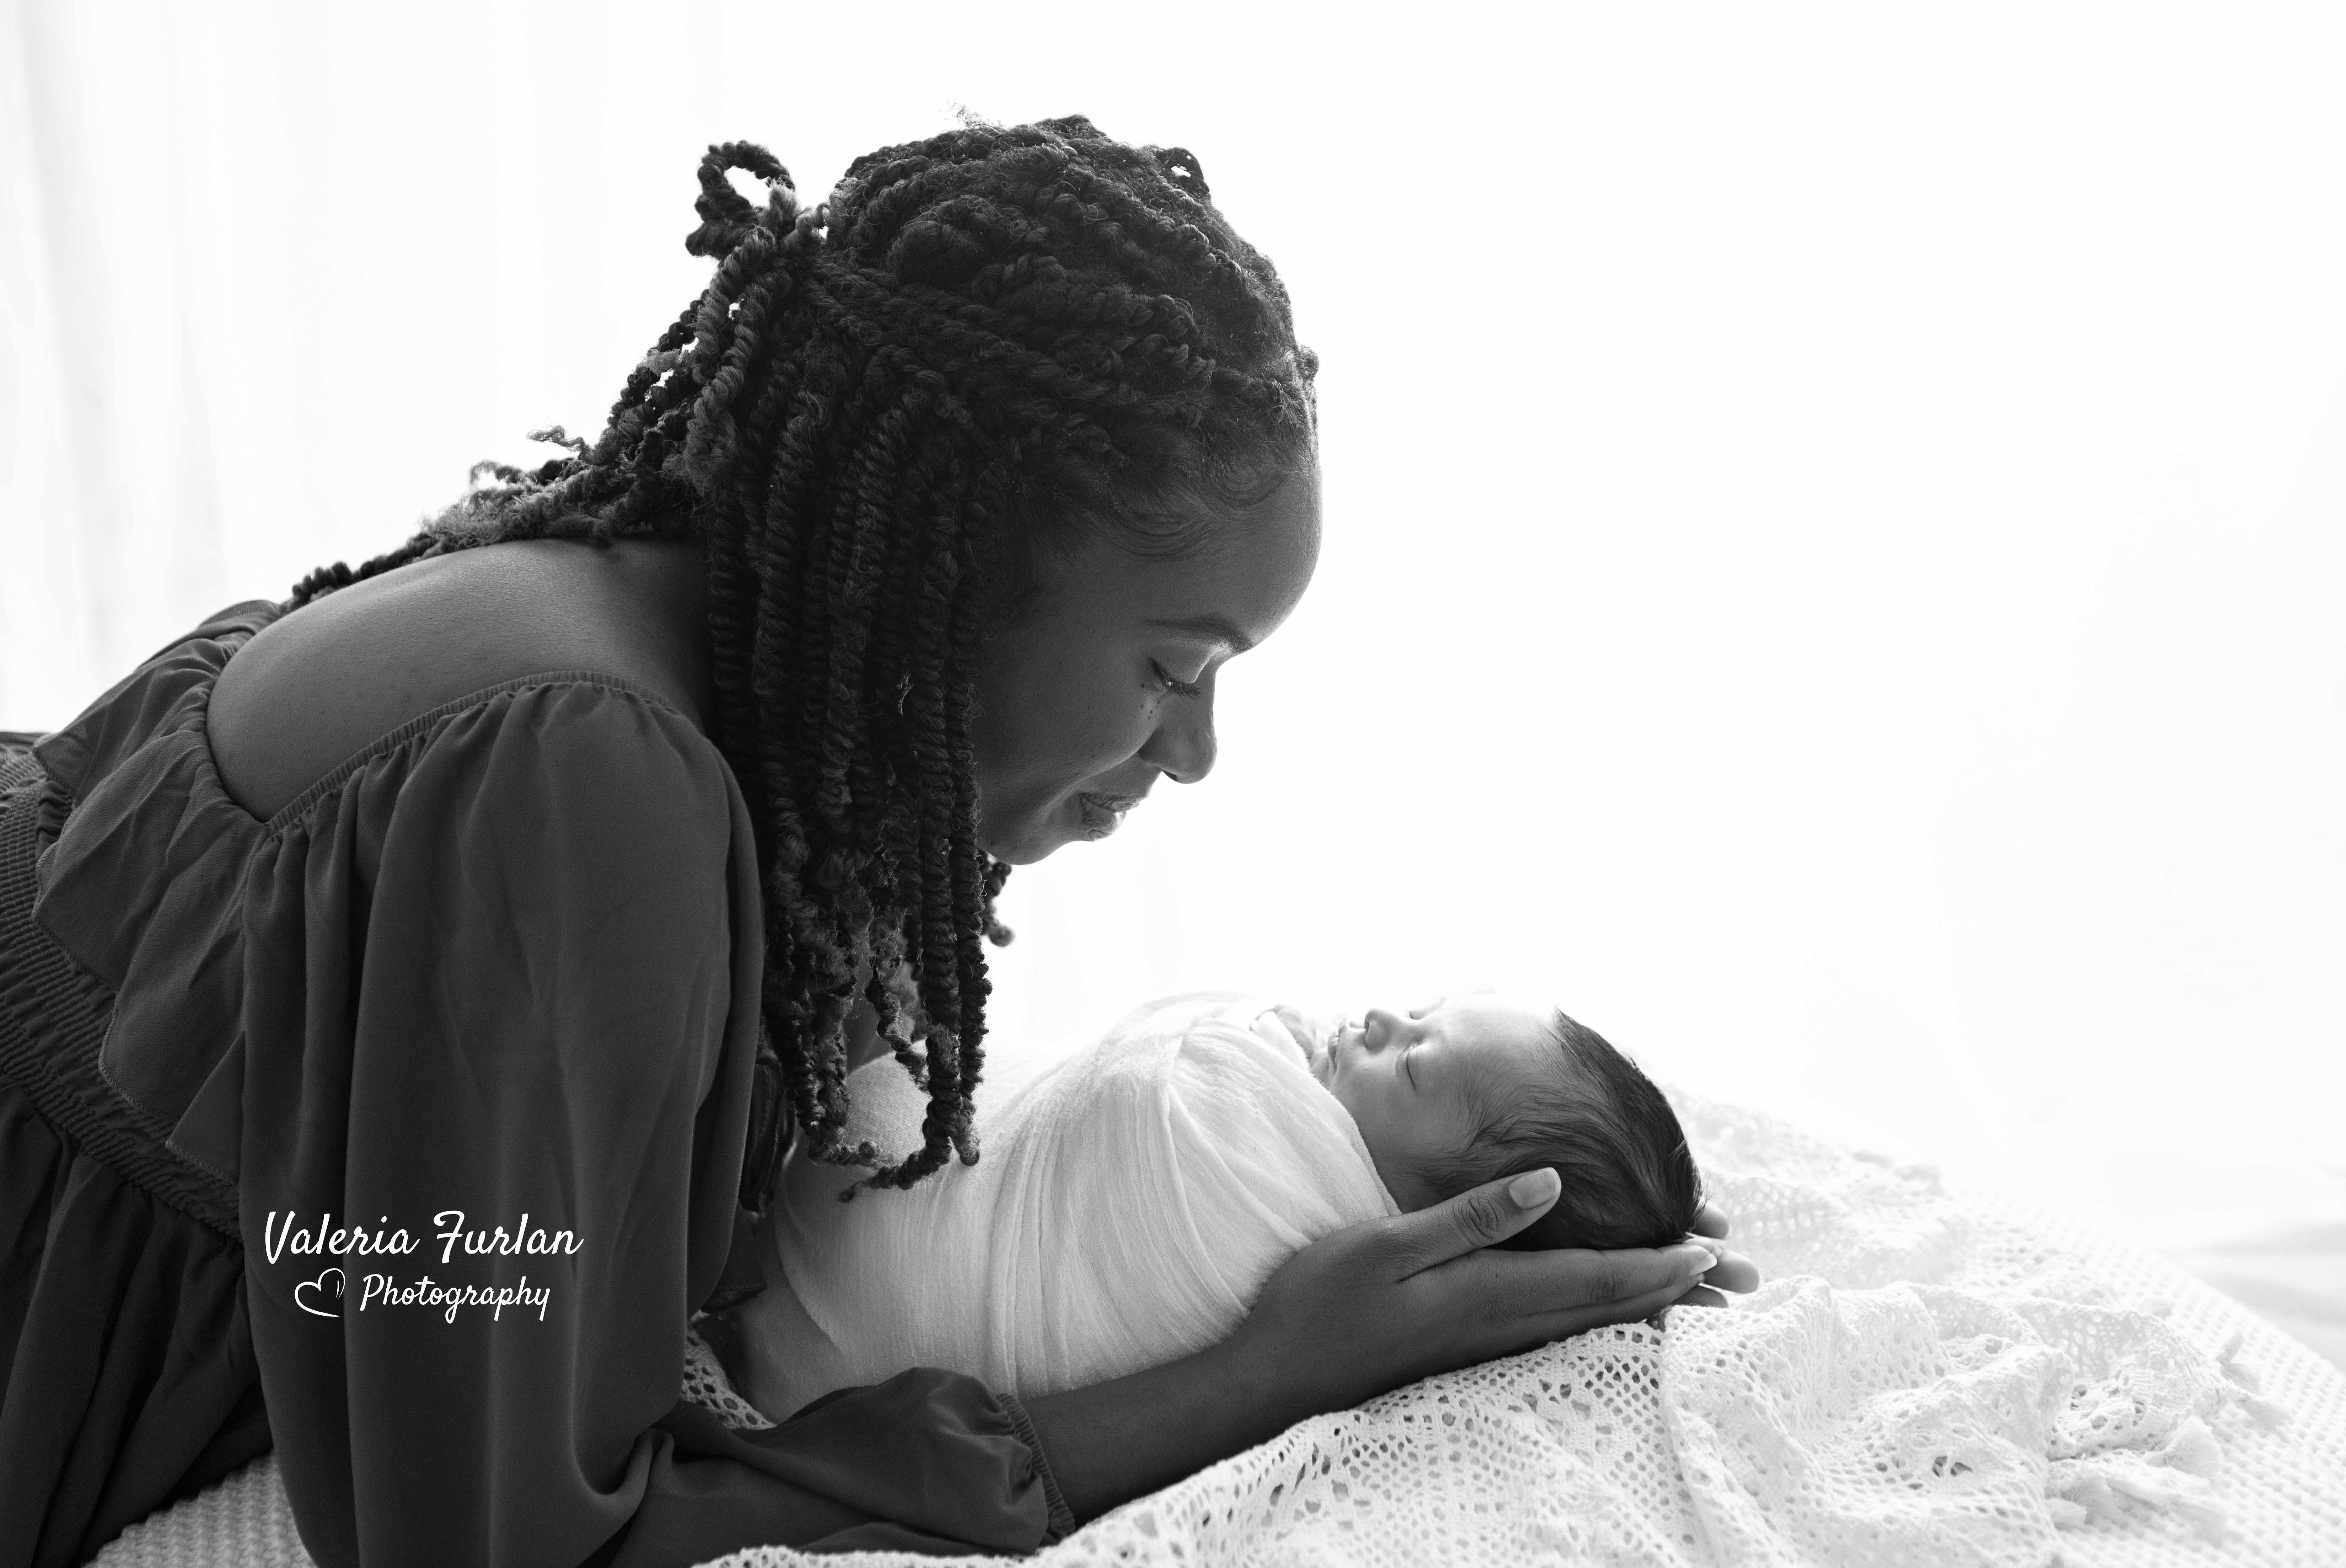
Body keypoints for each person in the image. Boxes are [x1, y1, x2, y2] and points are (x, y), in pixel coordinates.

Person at [0, 116, 1755, 1568]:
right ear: (944, 575)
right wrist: (1261, 1377)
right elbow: (499, 1541)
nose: (1197, 753)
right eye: (1174, 668)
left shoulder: (665, 673)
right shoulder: (587, 788)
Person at [735, 991, 1706, 1419]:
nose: (1374, 1018)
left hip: (846, 1289)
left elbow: (1177, 1049)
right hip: (824, 1332)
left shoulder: (1242, 1138)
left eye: (1410, 1063)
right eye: (1418, 1005)